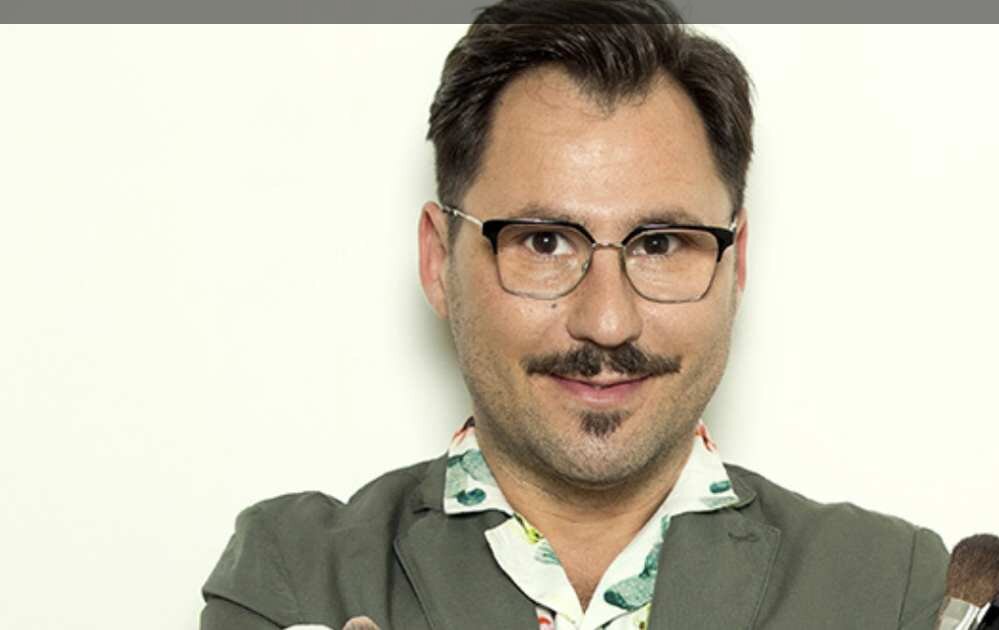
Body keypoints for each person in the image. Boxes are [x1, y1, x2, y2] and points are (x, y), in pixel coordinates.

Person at [200, 1, 949, 628]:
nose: (608, 321)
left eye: (660, 243)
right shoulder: (298, 578)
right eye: (545, 242)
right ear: (438, 260)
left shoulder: (895, 590)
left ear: (736, 264)